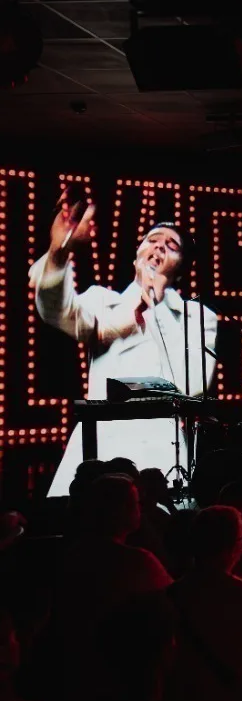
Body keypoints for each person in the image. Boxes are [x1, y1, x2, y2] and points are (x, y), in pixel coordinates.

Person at [30, 191, 217, 497]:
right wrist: (58, 251)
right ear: (137, 254)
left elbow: (191, 385)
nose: (159, 247)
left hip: (162, 455)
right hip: (99, 446)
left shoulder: (197, 317)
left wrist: (157, 308)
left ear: (181, 268)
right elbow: (55, 310)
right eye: (153, 240)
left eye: (171, 246)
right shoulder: (102, 301)